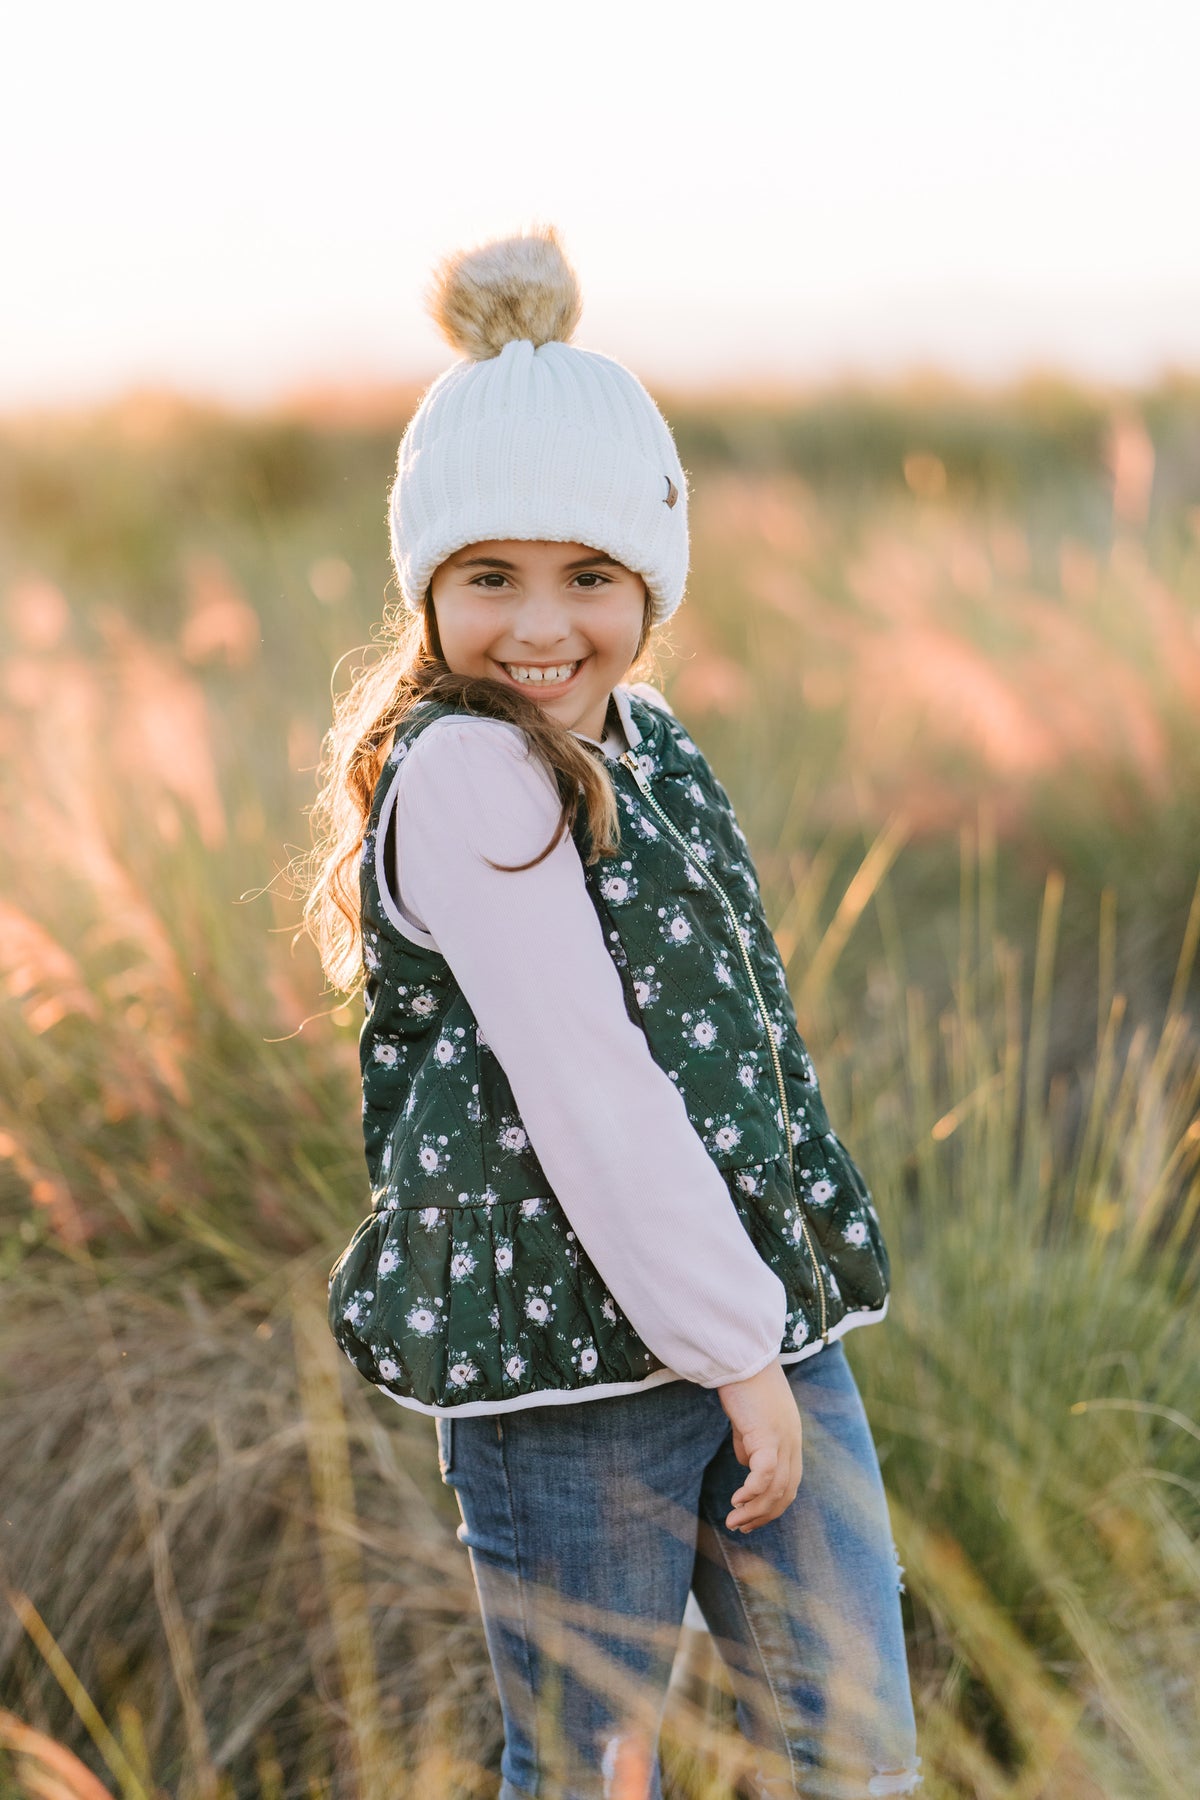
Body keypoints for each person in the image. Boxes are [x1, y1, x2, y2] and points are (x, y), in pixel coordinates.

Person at [303, 224, 923, 1800]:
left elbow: (726, 1046)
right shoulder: (465, 776)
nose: (540, 628)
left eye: (590, 576)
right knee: (593, 1771)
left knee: (852, 1748)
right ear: (426, 586)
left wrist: (752, 1328)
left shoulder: (645, 740)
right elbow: (592, 1090)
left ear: (650, 582)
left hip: (748, 1317)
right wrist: (737, 1356)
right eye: (488, 577)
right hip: (577, 1372)